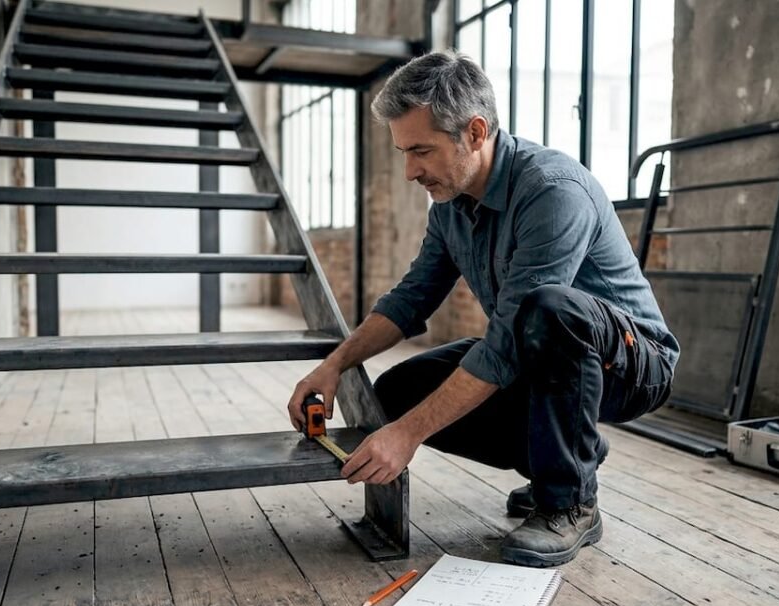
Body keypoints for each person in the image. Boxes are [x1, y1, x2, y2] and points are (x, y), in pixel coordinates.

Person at [286, 51, 679, 568]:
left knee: (548, 310)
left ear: (474, 132)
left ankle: (570, 502)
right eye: (404, 152)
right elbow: (410, 299)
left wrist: (407, 436)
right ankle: (564, 457)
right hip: (539, 350)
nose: (410, 171)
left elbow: (509, 342)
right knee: (398, 394)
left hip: (631, 365)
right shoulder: (449, 206)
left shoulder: (552, 191)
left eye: (421, 151)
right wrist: (334, 365)